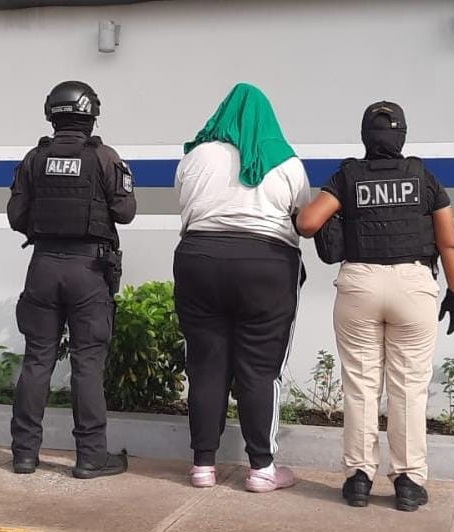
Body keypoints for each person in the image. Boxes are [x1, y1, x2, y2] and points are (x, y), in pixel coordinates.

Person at [296, 101, 454, 511]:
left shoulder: (347, 176)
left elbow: (308, 223)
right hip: (413, 285)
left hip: (360, 286)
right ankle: (408, 481)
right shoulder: (423, 178)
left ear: (364, 137)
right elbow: (448, 242)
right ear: (402, 136)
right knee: (409, 387)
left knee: (361, 384)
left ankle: (358, 478)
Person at [173, 83, 310, 492]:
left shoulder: (195, 155)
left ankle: (202, 466)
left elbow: (184, 203)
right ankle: (262, 469)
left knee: (205, 365)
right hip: (266, 266)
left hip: (199, 261)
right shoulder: (286, 161)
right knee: (261, 368)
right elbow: (302, 216)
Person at [7, 80, 136, 479]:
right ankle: (91, 457)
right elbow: (126, 212)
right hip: (89, 270)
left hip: (43, 266)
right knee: (87, 364)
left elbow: (16, 216)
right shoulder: (104, 157)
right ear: (91, 115)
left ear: (52, 114)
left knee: (37, 359)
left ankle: (24, 454)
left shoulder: (34, 158)